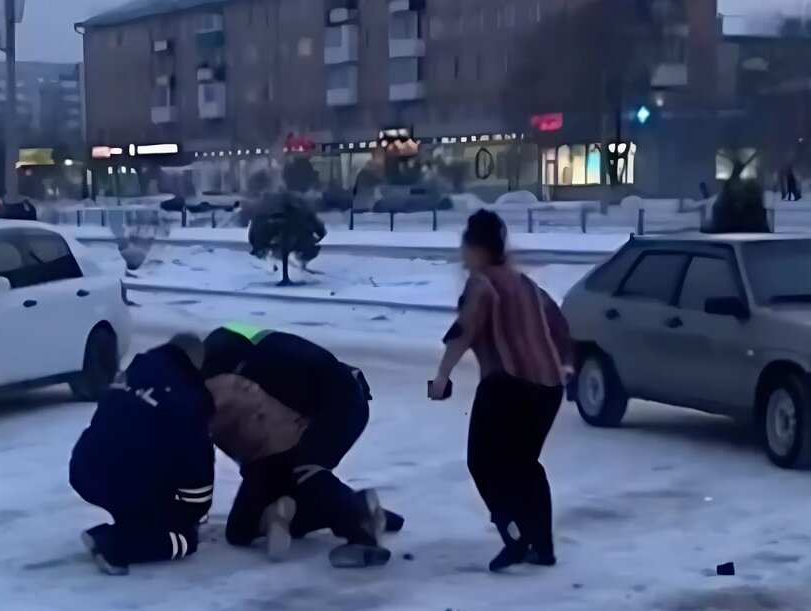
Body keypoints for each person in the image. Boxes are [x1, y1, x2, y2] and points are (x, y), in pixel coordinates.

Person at [430, 209, 573, 573]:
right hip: (548, 389)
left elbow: (463, 331)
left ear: (474, 248)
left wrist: (442, 378)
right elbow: (559, 324)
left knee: (484, 463)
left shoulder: (482, 284)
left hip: (507, 384)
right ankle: (542, 546)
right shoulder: (525, 283)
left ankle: (514, 534)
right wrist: (565, 365)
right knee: (524, 465)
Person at [203, 323, 403, 568]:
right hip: (326, 395)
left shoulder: (214, 380)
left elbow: (222, 440)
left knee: (307, 470)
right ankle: (353, 507)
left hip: (339, 402)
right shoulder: (229, 337)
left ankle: (360, 529)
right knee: (240, 531)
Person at [68, 333, 215, 575]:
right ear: (195, 363)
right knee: (183, 540)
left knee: (145, 507)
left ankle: (117, 533)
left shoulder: (133, 372)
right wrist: (193, 513)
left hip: (85, 468)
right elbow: (197, 459)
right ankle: (114, 545)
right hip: (128, 480)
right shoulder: (187, 395)